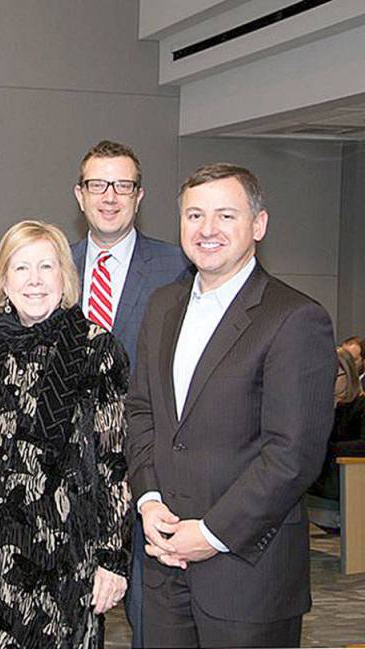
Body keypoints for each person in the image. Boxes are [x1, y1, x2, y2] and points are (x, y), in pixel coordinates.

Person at [126, 163, 334, 647]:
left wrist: (212, 533)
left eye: (225, 215)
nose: (207, 230)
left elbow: (292, 456)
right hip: (164, 565)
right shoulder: (162, 306)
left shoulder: (295, 318)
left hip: (248, 573)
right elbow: (142, 412)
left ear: (258, 225)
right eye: (194, 215)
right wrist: (149, 499)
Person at [0, 219, 131, 648]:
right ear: (3, 280)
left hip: (58, 561)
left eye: (46, 266)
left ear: (65, 277)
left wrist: (113, 560)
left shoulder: (96, 348)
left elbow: (116, 463)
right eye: (21, 268)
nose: (34, 280)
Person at [70, 139, 190, 647]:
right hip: (69, 474)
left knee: (153, 616)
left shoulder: (179, 267)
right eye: (99, 184)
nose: (110, 196)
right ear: (80, 195)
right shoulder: (52, 266)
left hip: (148, 466)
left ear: (139, 196)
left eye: (123, 185)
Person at [309, 347, 365, 502]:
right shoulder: (320, 408)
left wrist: (327, 447)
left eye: (335, 376)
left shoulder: (360, 405)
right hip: (319, 483)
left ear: (349, 376)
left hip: (347, 483)